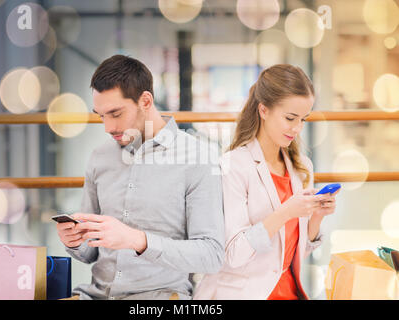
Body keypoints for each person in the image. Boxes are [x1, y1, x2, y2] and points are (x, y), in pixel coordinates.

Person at [55, 55, 225, 300]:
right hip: (95, 294)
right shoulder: (99, 157)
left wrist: (137, 240)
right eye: (101, 115)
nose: (108, 127)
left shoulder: (198, 157)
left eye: (115, 113)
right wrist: (73, 241)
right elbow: (89, 252)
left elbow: (211, 255)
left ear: (145, 101)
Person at [194, 64, 338, 300]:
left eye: (303, 119)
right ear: (263, 110)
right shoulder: (234, 166)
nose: (297, 128)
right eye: (290, 118)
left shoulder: (301, 167)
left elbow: (294, 252)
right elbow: (234, 254)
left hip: (289, 292)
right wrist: (285, 212)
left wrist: (317, 214)